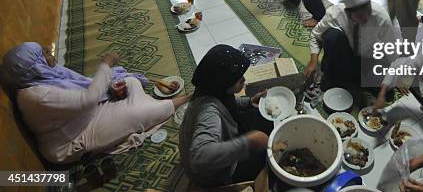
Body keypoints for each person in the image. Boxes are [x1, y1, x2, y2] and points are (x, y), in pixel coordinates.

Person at [5, 43, 190, 164]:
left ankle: (139, 101)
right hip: (73, 139)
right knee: (138, 113)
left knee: (128, 82)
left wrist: (109, 87)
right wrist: (106, 64)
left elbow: (82, 86)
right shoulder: (36, 96)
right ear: (35, 65)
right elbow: (88, 99)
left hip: (84, 116)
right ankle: (185, 99)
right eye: (43, 53)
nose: (48, 49)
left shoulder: (42, 76)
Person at [180, 45, 270, 187]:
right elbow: (198, 157)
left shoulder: (210, 90)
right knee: (266, 155)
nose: (244, 80)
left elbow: (228, 104)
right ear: (223, 82)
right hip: (214, 176)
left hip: (213, 158)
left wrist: (248, 101)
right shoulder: (208, 112)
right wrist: (248, 143)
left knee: (258, 115)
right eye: (239, 79)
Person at [305, 0, 401, 107]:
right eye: (360, 16)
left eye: (368, 12)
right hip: (344, 55)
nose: (366, 18)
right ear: (348, 12)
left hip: (368, 60)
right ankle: (338, 78)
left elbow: (393, 53)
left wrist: (393, 82)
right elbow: (315, 34)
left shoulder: (381, 18)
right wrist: (313, 61)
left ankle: (352, 80)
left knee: (388, 94)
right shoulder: (336, 13)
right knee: (332, 36)